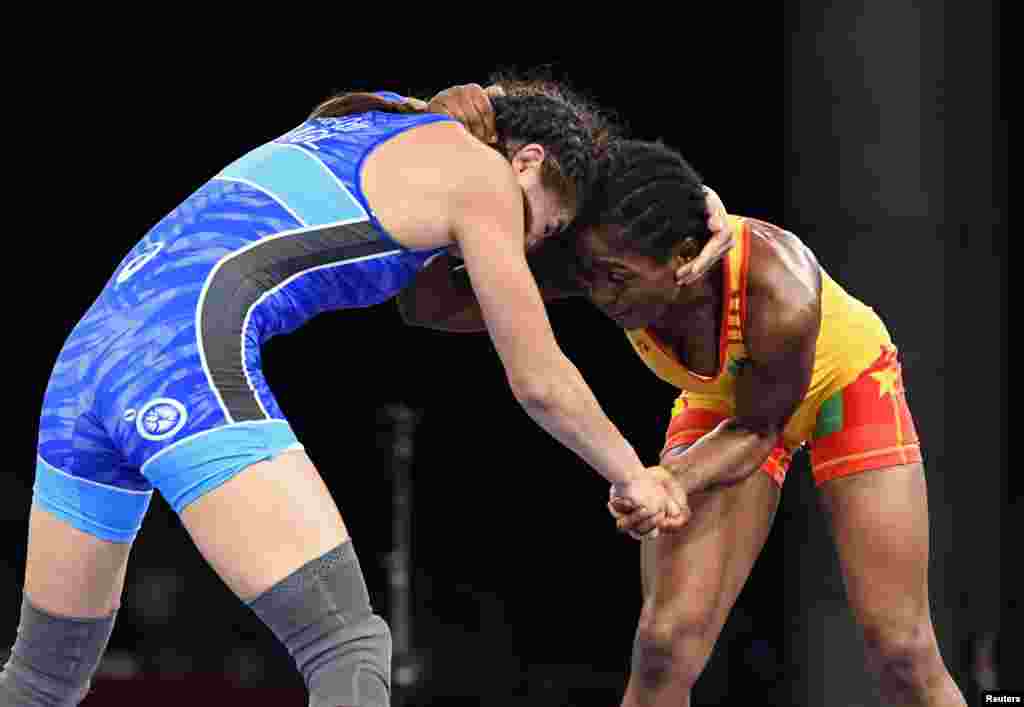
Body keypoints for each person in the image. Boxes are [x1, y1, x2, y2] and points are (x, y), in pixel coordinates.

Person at [1, 82, 691, 707]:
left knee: (42, 680)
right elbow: (538, 376)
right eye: (543, 227)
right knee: (347, 648)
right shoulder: (482, 179)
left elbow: (422, 305)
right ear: (528, 161)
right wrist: (635, 471)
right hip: (177, 358)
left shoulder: (375, 117)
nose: (527, 241)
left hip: (84, 367)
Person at [401, 136, 967, 705]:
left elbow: (759, 430)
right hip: (727, 405)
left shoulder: (781, 290)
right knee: (665, 645)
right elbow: (428, 305)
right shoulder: (605, 257)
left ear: (683, 258)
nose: (599, 295)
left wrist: (671, 480)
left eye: (617, 279)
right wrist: (456, 217)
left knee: (901, 647)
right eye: (591, 275)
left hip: (843, 385)